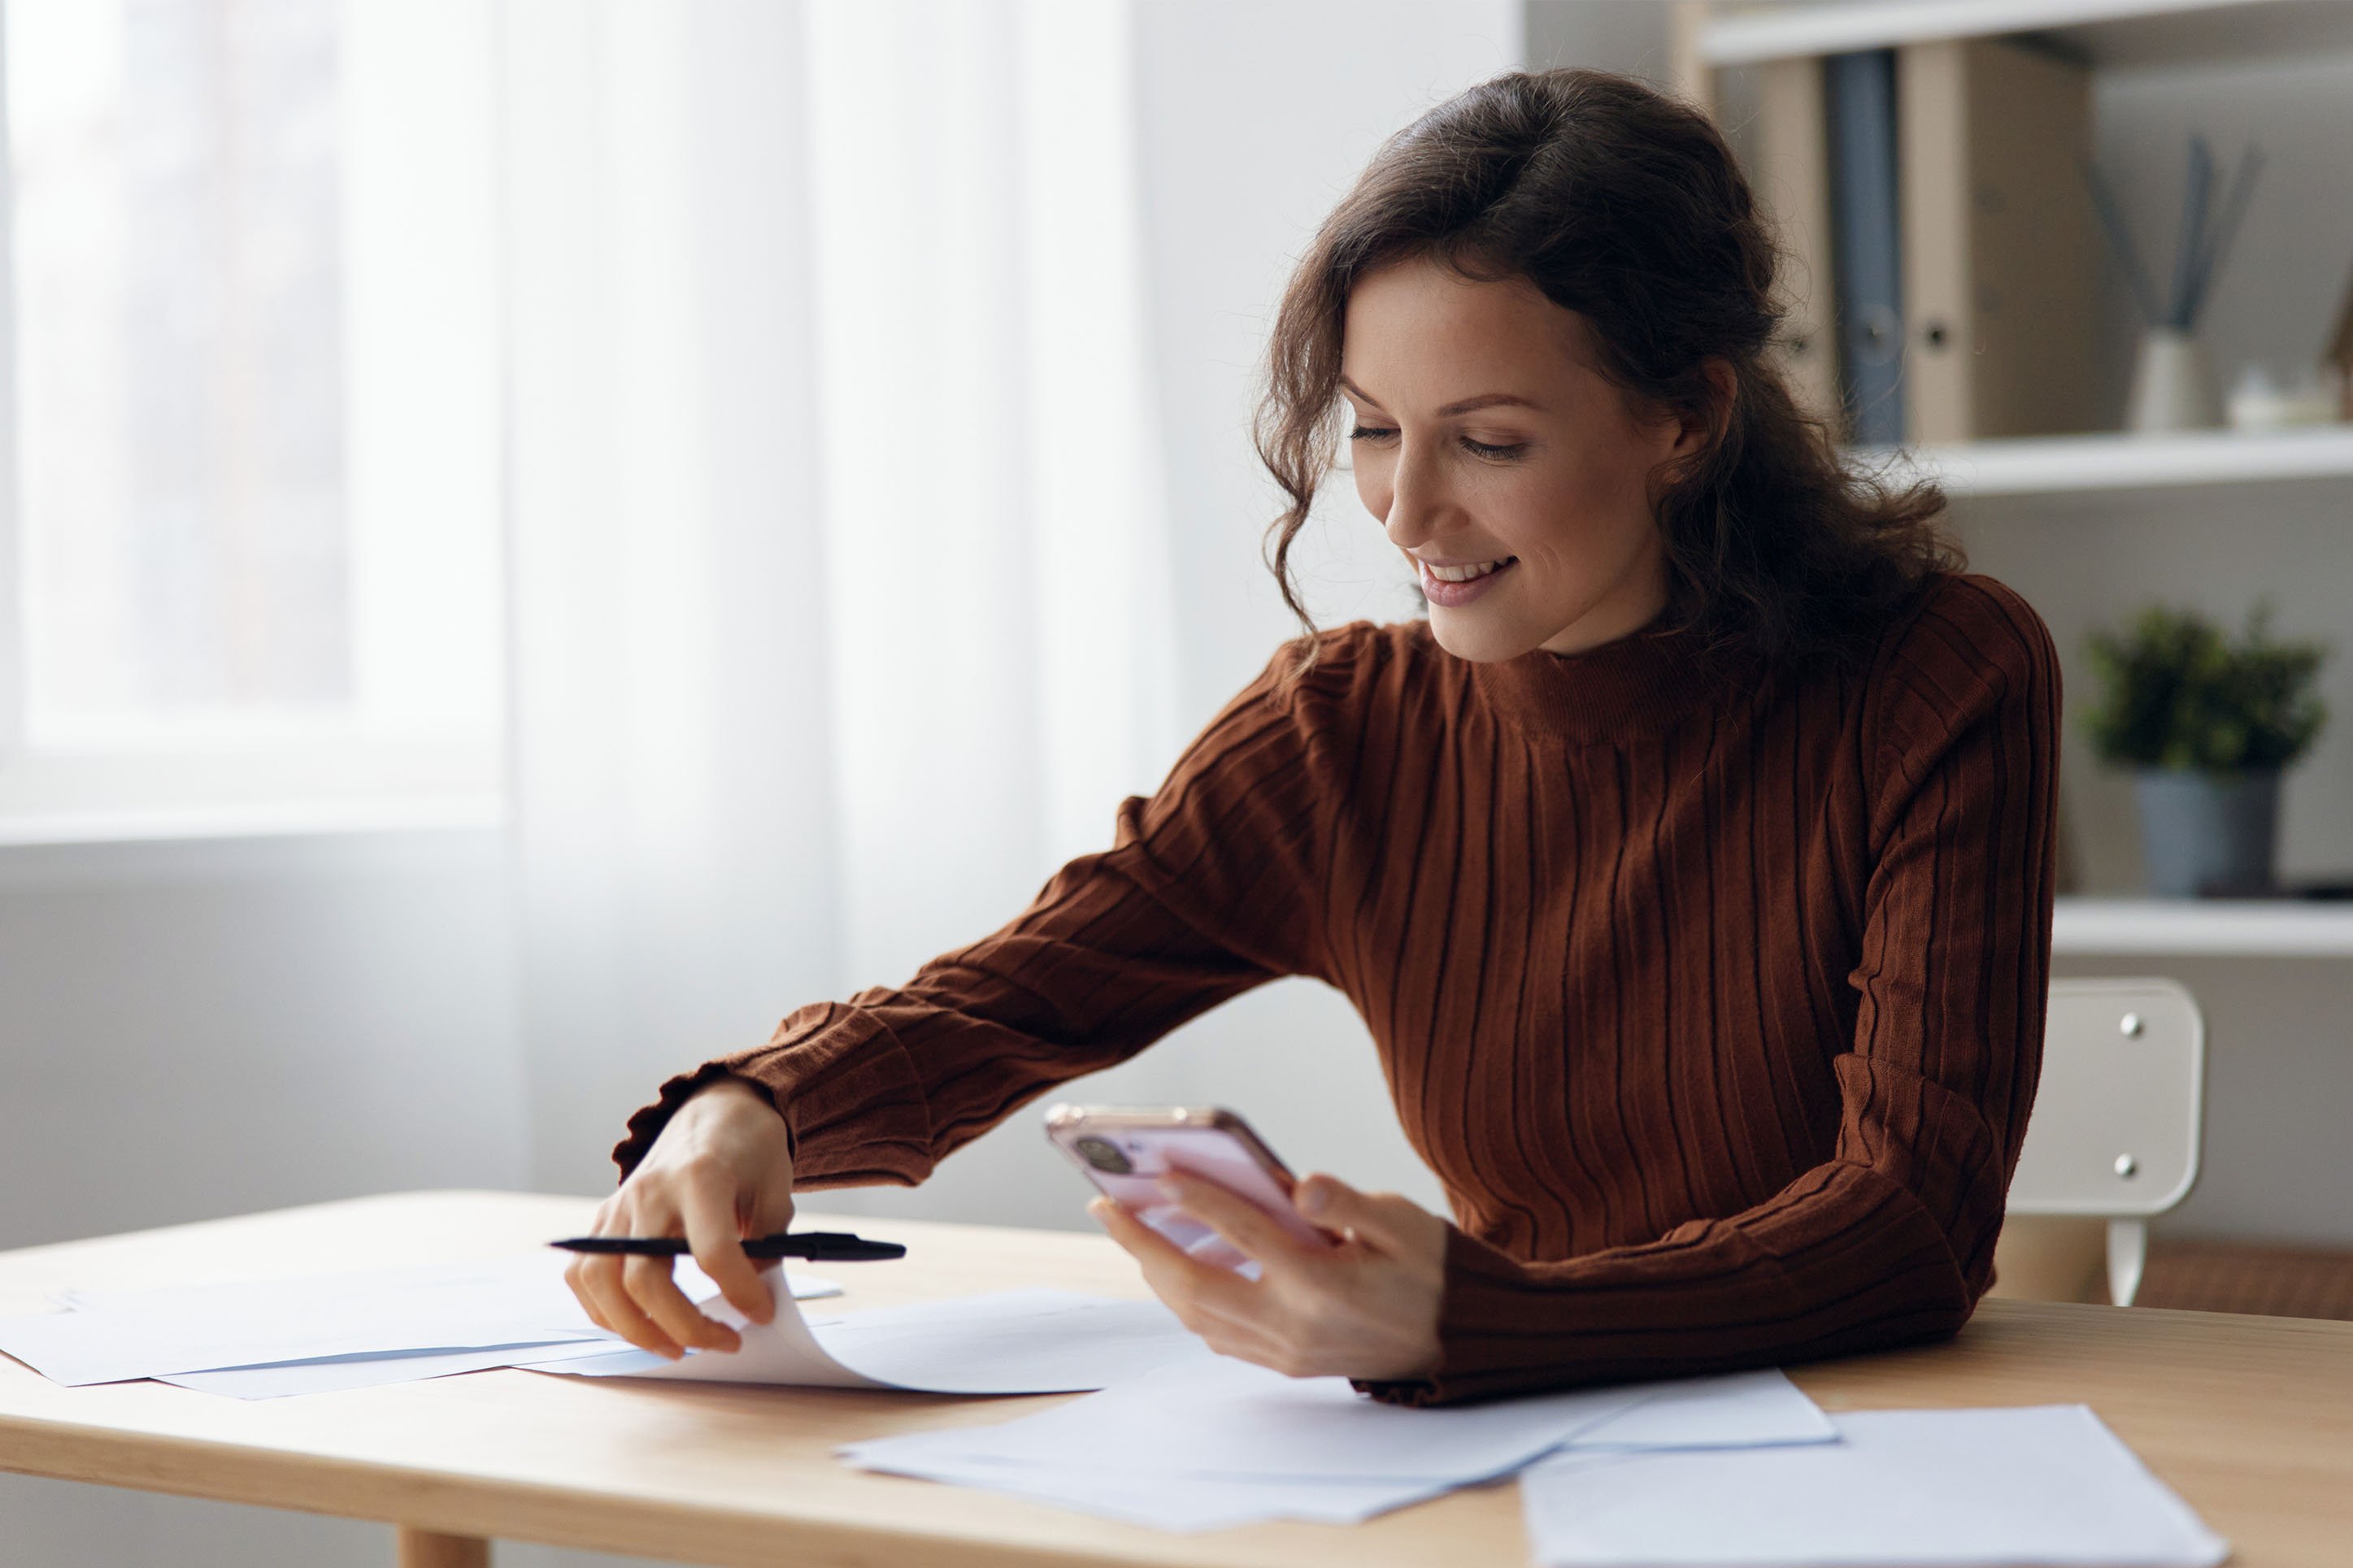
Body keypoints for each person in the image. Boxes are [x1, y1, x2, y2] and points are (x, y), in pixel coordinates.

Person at [564, 67, 2059, 1408]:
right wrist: (749, 1106)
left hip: (1864, 1436)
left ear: (1683, 416)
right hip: (1497, 1438)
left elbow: (1912, 1222)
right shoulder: (1342, 734)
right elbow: (1011, 1001)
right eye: (1369, 427)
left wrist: (1485, 1317)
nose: (1405, 517)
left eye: (1487, 441)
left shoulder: (1934, 677)